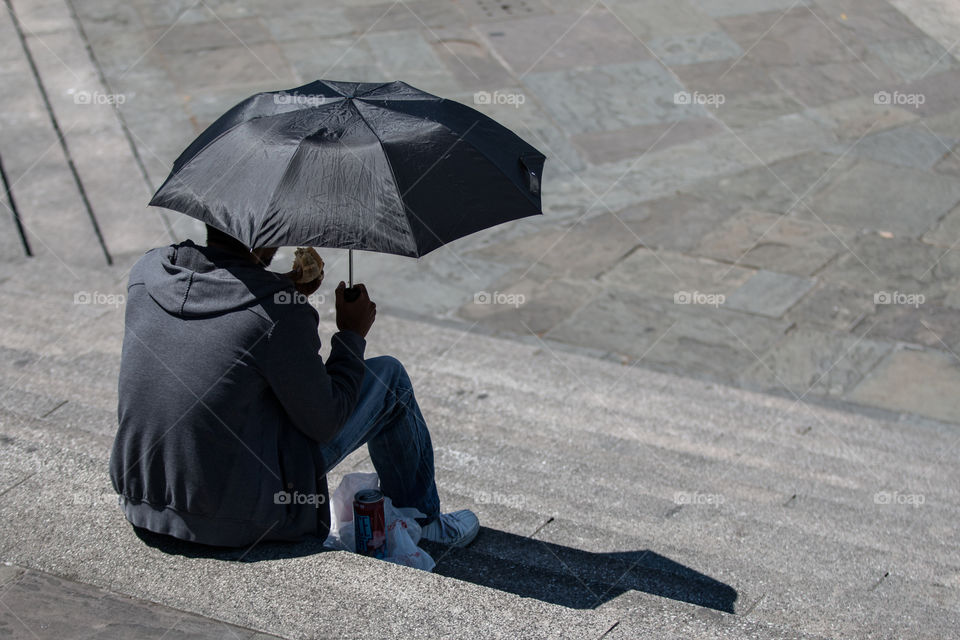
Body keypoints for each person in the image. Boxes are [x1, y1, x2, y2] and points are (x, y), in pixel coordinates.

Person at [108, 224, 479, 549]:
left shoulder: (147, 271)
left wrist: (280, 287)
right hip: (236, 515)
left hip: (142, 496)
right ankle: (422, 522)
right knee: (389, 378)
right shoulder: (278, 315)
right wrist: (351, 334)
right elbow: (327, 419)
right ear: (265, 235)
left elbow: (217, 325)